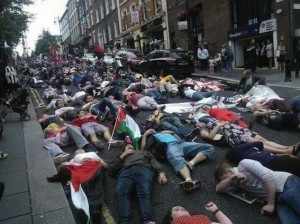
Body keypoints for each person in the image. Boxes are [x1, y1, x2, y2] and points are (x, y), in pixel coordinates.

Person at [215, 159, 300, 224]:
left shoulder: (244, 164)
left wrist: (271, 204)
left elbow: (267, 177)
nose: (230, 184)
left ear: (229, 171)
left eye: (226, 179)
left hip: (286, 184)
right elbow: (218, 189)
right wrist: (231, 178)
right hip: (278, 200)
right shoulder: (234, 182)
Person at [108, 142, 167, 223]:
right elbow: (111, 170)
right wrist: (123, 155)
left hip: (143, 168)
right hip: (125, 171)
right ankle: (125, 221)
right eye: (126, 145)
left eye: (130, 144)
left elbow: (153, 161)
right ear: (124, 149)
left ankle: (147, 220)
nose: (129, 144)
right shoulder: (120, 155)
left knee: (144, 192)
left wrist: (161, 172)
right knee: (121, 192)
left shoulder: (143, 152)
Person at [141, 129, 214, 192]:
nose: (152, 130)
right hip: (169, 146)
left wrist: (169, 132)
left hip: (181, 143)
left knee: (209, 147)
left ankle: (191, 163)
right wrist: (144, 135)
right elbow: (142, 150)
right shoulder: (152, 137)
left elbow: (176, 133)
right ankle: (189, 181)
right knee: (177, 159)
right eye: (149, 130)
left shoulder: (163, 132)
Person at [196, 117, 300, 155]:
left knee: (262, 139)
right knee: (258, 144)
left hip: (238, 130)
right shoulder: (203, 130)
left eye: (201, 121)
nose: (200, 123)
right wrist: (218, 125)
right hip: (232, 135)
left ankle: (288, 147)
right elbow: (209, 137)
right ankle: (285, 152)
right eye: (199, 123)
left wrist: (222, 122)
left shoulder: (212, 121)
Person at [227, 142, 300, 176]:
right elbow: (259, 143)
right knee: (293, 163)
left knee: (292, 162)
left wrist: (287, 155)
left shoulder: (250, 153)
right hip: (270, 162)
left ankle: (288, 150)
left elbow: (272, 155)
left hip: (272, 161)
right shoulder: (237, 149)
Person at [162, 202, 232, 224]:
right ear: (170, 220)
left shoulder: (205, 219)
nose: (182, 208)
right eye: (177, 209)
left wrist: (215, 210)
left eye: (183, 208)